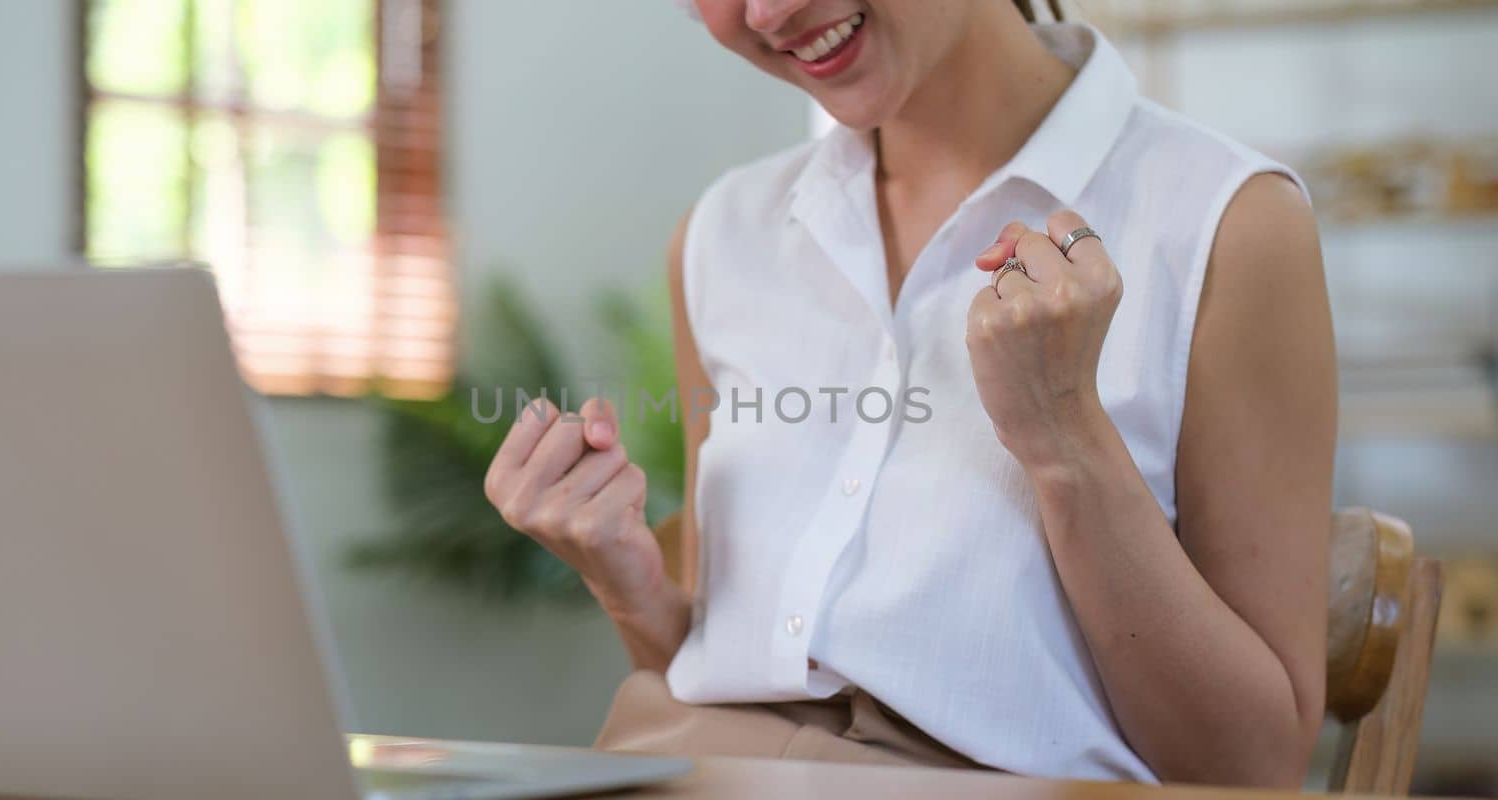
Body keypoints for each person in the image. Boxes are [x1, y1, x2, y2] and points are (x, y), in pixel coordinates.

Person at [481, 0, 1336, 787]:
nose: (766, 12)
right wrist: (629, 587)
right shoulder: (722, 235)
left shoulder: (1228, 226)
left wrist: (1065, 440)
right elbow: (719, 678)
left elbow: (1252, 769)